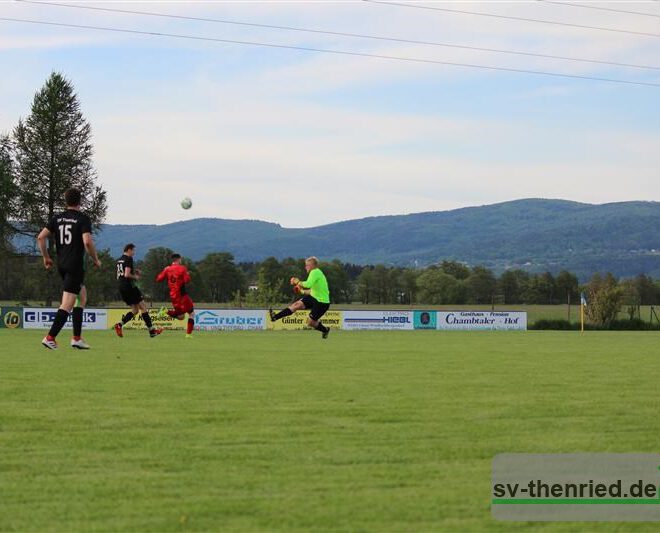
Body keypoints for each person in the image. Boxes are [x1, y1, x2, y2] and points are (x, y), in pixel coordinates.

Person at [36, 188, 101, 349]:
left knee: (82, 296)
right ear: (80, 201)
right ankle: (50, 337)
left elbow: (41, 237)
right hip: (75, 265)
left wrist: (46, 257)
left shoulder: (57, 219)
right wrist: (95, 259)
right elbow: (87, 242)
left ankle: (77, 338)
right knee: (68, 303)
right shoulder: (83, 219)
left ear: (66, 201)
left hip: (62, 264)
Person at [269, 256, 331, 338]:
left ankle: (325, 330)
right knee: (296, 305)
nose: (305, 267)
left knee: (310, 323)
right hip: (314, 298)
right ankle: (275, 317)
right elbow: (312, 291)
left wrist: (297, 282)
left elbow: (308, 284)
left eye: (307, 265)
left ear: (312, 265)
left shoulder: (315, 272)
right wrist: (301, 291)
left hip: (322, 302)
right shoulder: (316, 273)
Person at [113, 243, 163, 338]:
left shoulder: (120, 260)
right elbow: (127, 275)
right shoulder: (129, 259)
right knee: (143, 307)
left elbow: (123, 272)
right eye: (133, 251)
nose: (134, 253)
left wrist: (134, 271)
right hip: (129, 286)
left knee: (135, 310)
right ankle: (152, 331)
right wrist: (135, 276)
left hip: (121, 287)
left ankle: (119, 325)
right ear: (129, 250)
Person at [155, 253, 195, 338]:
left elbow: (158, 279)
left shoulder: (167, 269)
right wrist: (187, 274)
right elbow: (187, 280)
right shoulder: (182, 268)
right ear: (179, 259)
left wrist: (164, 270)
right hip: (182, 295)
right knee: (191, 313)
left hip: (173, 295)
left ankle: (165, 311)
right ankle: (188, 334)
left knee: (181, 317)